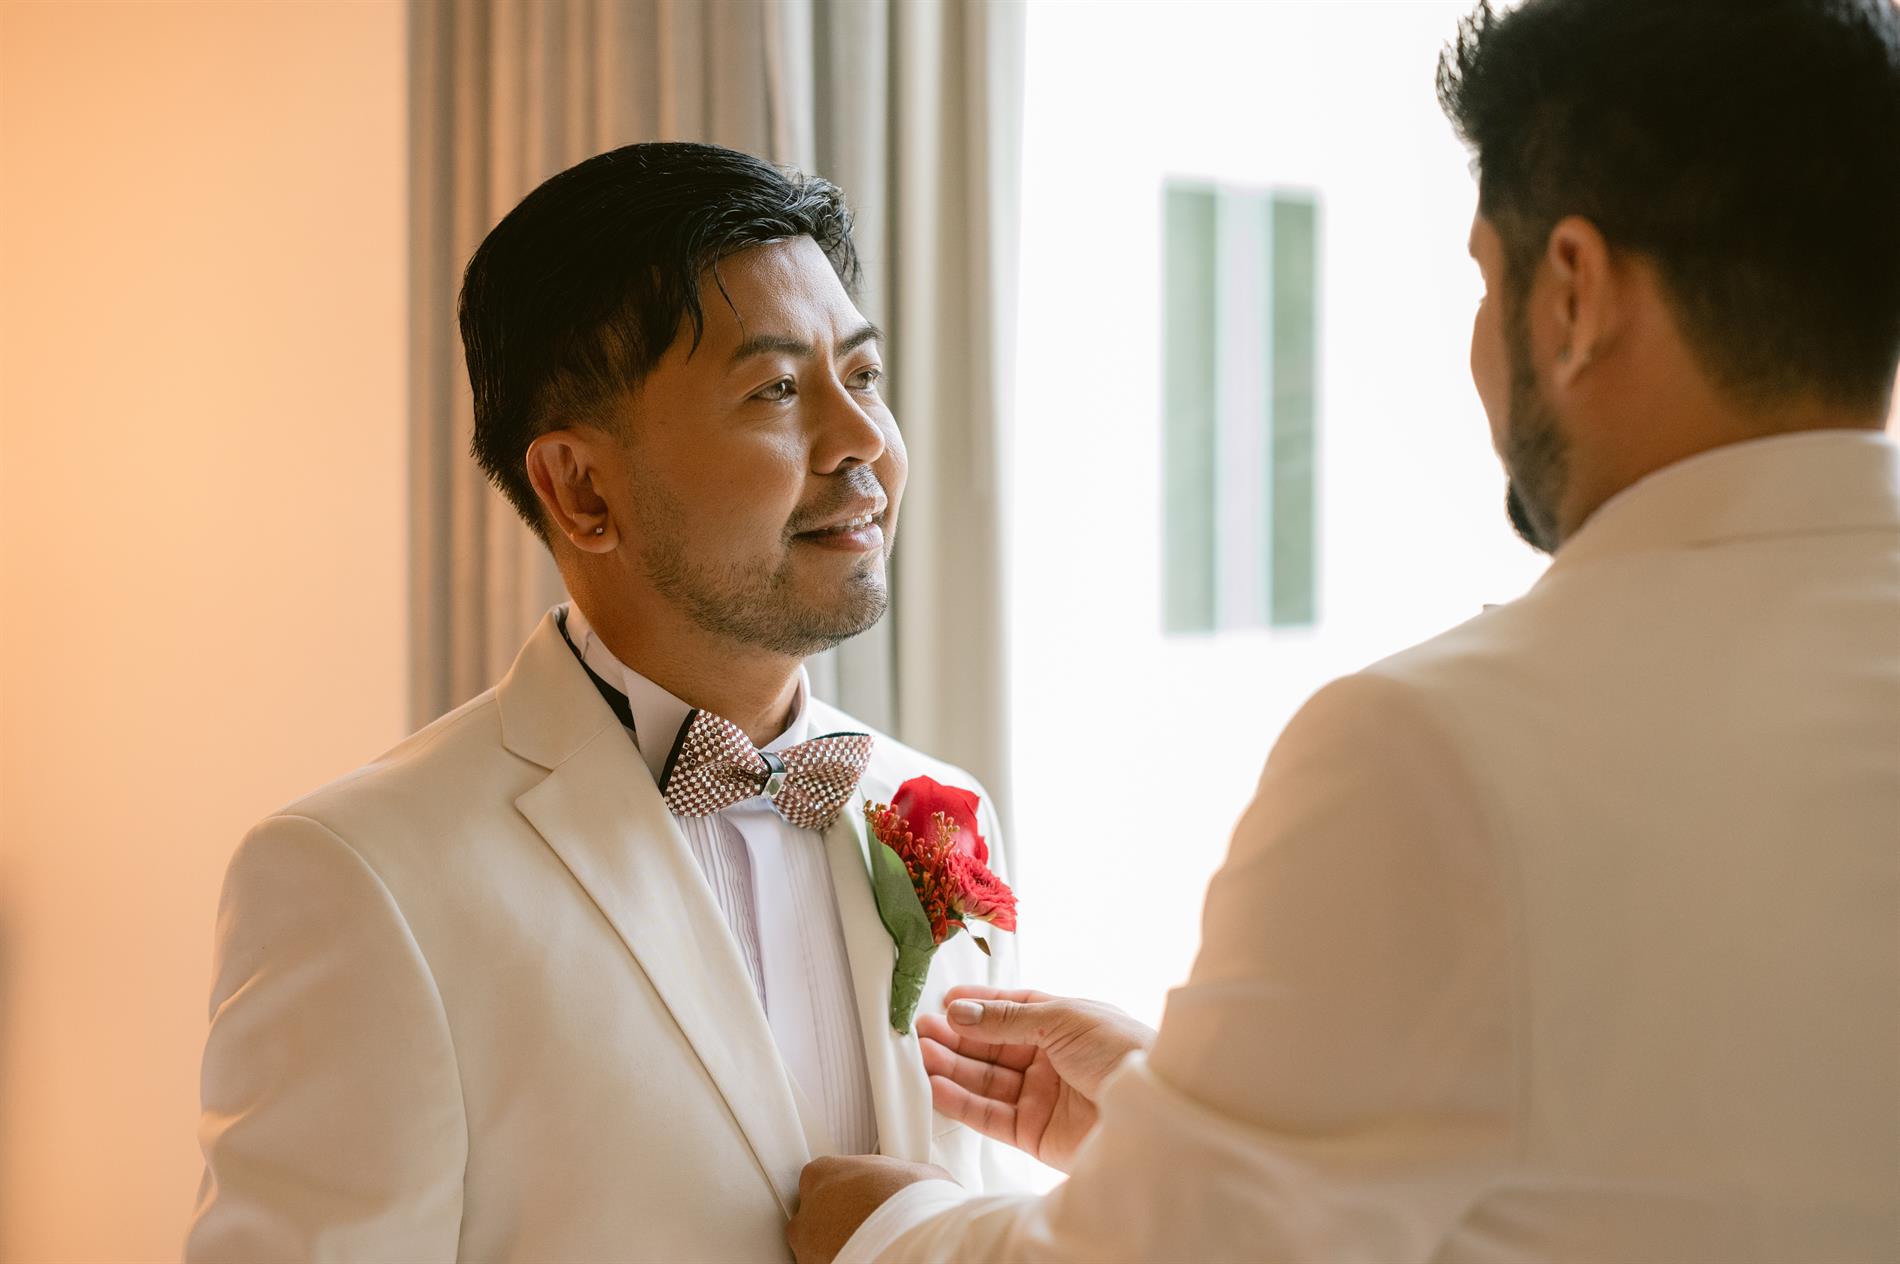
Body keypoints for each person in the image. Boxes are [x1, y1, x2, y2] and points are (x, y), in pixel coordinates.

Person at [788, 0, 1900, 1260]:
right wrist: (1194, 1124)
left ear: (1572, 294)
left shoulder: (1434, 750)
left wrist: (895, 1230)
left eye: (1484, 279)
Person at [187, 141, 1014, 1262]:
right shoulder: (362, 876)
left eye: (862, 376)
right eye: (775, 390)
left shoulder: (939, 811)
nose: (863, 440)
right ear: (580, 488)